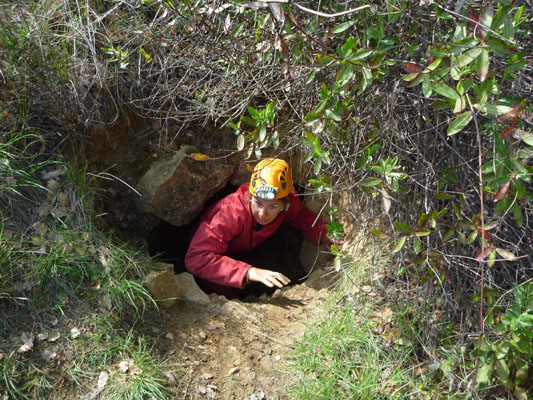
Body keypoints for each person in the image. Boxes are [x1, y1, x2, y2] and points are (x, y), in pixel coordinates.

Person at [184, 158, 339, 299]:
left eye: (272, 206)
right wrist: (248, 272)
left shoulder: (286, 199)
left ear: (284, 205)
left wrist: (323, 232)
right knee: (229, 296)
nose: (263, 213)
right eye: (258, 203)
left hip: (241, 250)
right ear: (251, 197)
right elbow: (196, 258)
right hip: (210, 253)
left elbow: (300, 216)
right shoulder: (231, 212)